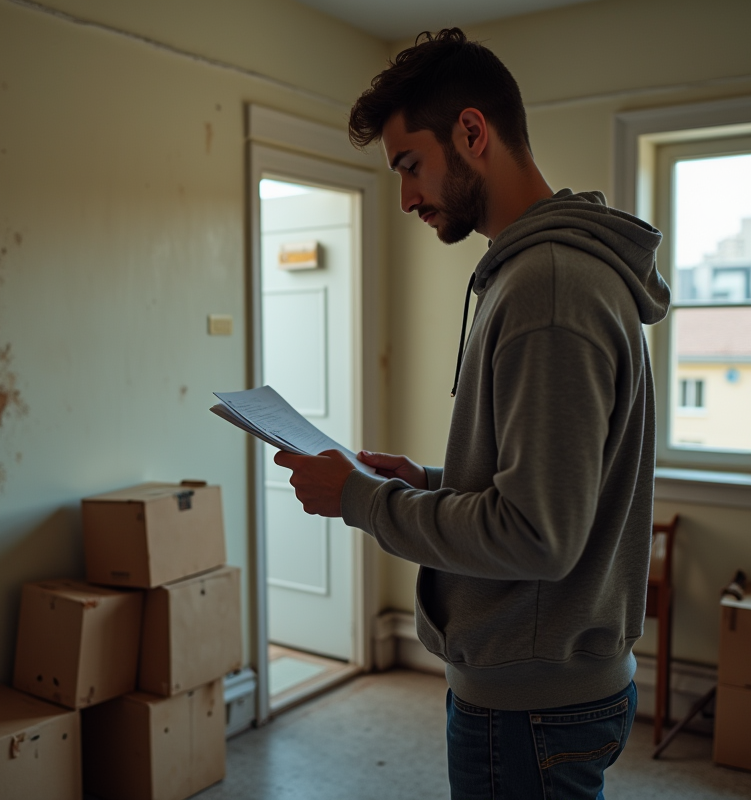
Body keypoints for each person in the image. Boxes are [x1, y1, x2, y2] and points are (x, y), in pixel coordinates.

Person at [273, 28, 670, 800]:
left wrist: (363, 501)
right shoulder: (546, 274)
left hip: (530, 705)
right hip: (547, 686)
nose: (405, 198)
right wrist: (423, 481)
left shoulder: (546, 288)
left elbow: (536, 535)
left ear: (472, 132)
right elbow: (552, 489)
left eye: (409, 165)